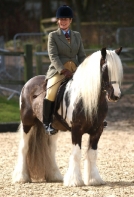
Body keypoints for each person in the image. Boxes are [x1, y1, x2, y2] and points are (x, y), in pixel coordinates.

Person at [43, 5, 86, 135]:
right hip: (58, 71)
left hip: (76, 70)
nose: (63, 21)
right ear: (58, 21)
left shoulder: (77, 36)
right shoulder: (53, 36)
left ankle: (95, 118)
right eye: (61, 19)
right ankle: (47, 123)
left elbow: (82, 55)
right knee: (51, 92)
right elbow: (53, 56)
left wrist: (84, 68)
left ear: (70, 20)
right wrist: (63, 70)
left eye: (66, 19)